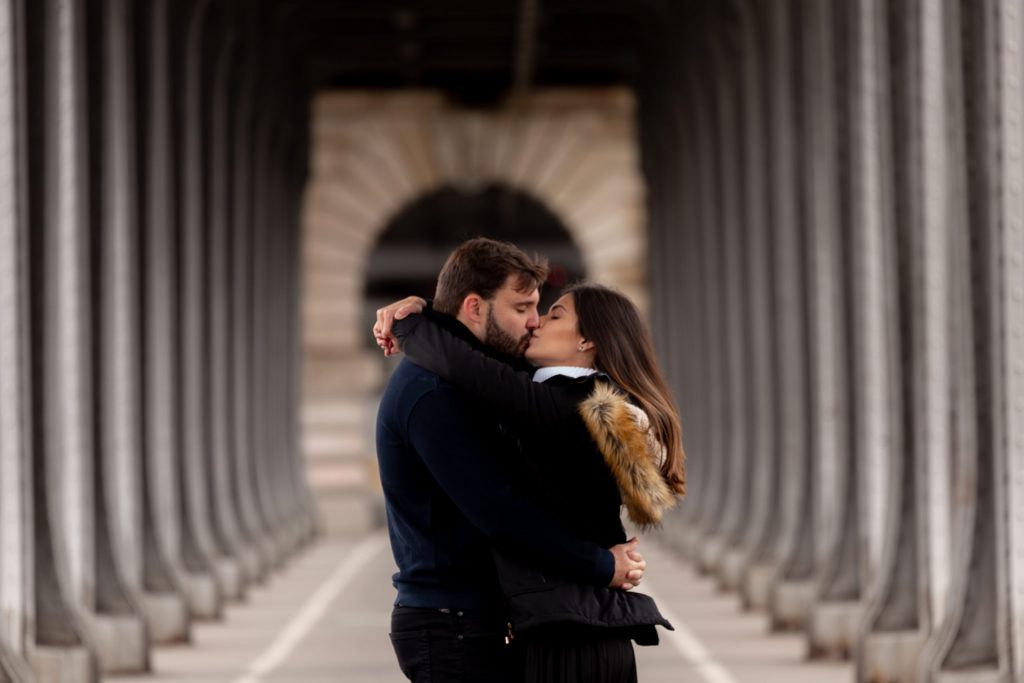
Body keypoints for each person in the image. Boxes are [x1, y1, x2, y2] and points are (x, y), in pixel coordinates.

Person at [376, 280, 685, 683]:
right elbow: (484, 355)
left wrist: (411, 323)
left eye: (554, 314)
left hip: (573, 636)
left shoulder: (565, 405)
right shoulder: (577, 397)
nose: (536, 322)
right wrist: (435, 311)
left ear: (587, 339)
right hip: (580, 627)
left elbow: (465, 365)